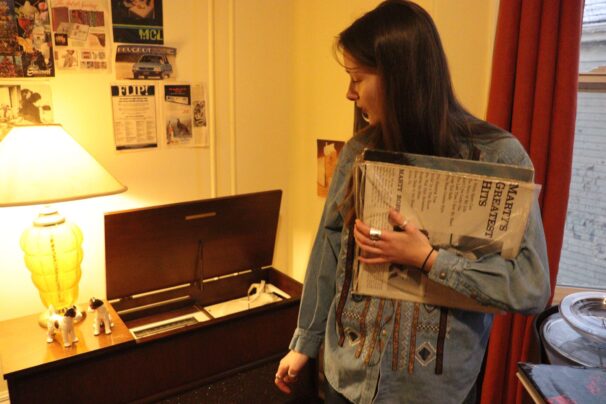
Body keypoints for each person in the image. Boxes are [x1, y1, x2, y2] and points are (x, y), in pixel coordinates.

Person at [274, 1, 550, 403]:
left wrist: (430, 260)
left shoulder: (497, 158)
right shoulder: (358, 152)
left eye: (357, 78)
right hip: (345, 380)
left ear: (397, 78)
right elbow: (329, 250)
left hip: (431, 393)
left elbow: (531, 285)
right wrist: (306, 341)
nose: (349, 93)